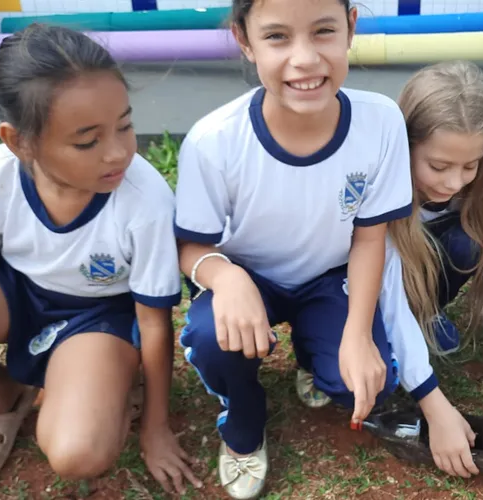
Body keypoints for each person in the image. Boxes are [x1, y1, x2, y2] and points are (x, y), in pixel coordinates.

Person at [0, 25, 200, 493]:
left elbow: (154, 323)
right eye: (87, 141)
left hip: (98, 316)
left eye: (125, 125)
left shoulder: (144, 199)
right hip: (14, 294)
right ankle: (1, 389)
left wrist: (156, 428)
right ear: (18, 142)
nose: (118, 152)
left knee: (78, 452)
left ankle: (106, 381)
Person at [172, 0, 412, 497]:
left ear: (350, 27)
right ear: (244, 40)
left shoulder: (381, 122)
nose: (304, 59)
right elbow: (190, 246)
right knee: (212, 338)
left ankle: (311, 351)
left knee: (367, 380)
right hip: (249, 280)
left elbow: (370, 236)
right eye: (277, 36)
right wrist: (225, 277)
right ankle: (243, 418)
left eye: (323, 31)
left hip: (329, 276)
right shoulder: (213, 141)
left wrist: (358, 334)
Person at [379, 61, 483, 479]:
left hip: (418, 291)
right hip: (372, 304)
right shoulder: (378, 200)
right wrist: (434, 405)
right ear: (404, 145)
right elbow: (388, 301)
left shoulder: (480, 201)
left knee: (467, 241)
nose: (455, 182)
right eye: (438, 167)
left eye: (470, 166)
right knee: (372, 385)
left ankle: (428, 314)